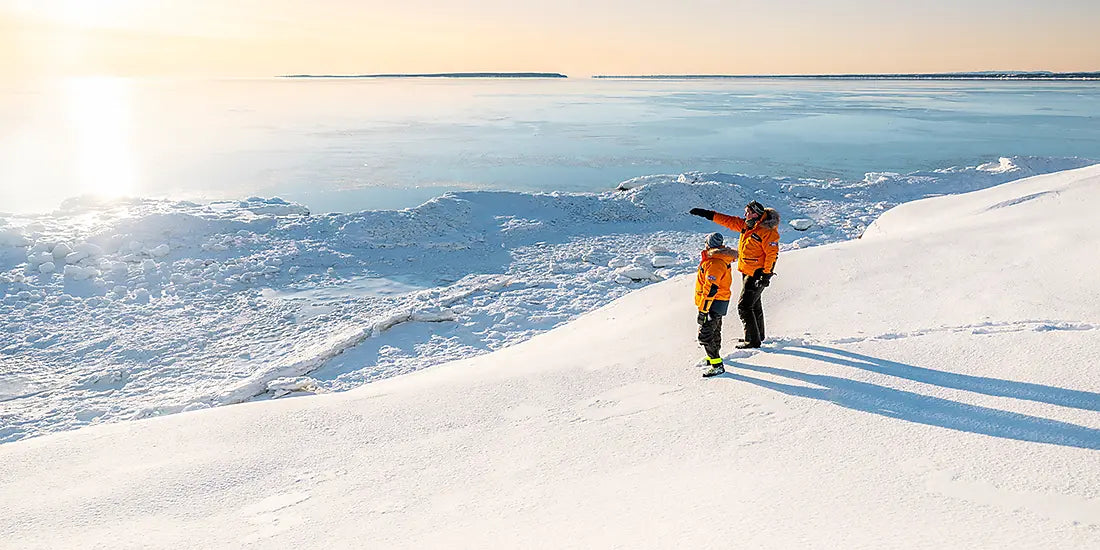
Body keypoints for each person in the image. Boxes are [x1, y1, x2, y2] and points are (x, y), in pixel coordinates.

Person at [690, 200, 780, 349]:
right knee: (754, 304)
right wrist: (707, 214)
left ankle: (752, 341)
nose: (745, 215)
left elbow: (772, 254)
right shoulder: (747, 225)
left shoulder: (767, 232)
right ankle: (758, 336)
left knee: (744, 306)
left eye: (748, 212)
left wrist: (766, 275)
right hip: (747, 270)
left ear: (756, 214)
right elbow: (728, 221)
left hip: (757, 273)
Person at [694, 232, 737, 377]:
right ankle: (713, 357)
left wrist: (703, 311)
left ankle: (717, 365)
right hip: (718, 301)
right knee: (715, 330)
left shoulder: (715, 262)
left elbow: (711, 288)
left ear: (709, 244)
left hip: (713, 302)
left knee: (704, 335)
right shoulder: (718, 259)